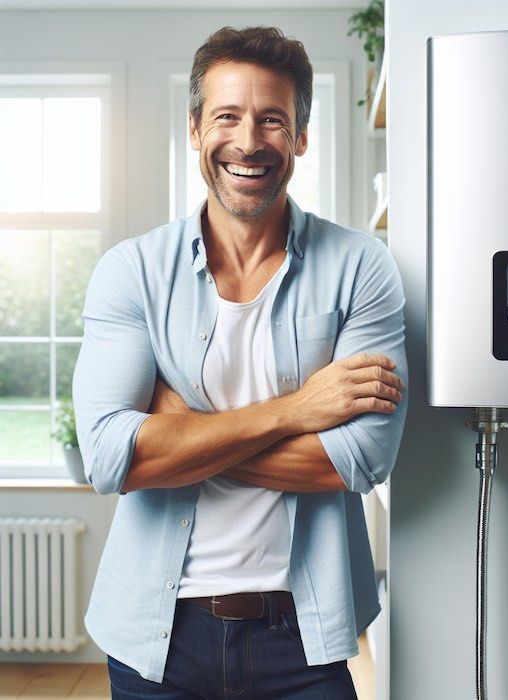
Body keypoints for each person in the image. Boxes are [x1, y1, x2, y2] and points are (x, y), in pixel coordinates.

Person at [73, 25, 407, 699]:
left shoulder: (361, 269)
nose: (248, 141)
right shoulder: (132, 272)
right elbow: (112, 458)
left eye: (273, 120)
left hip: (303, 639)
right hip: (153, 637)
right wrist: (298, 410)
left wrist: (179, 427)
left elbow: (359, 461)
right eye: (226, 116)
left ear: (301, 137)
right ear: (195, 130)